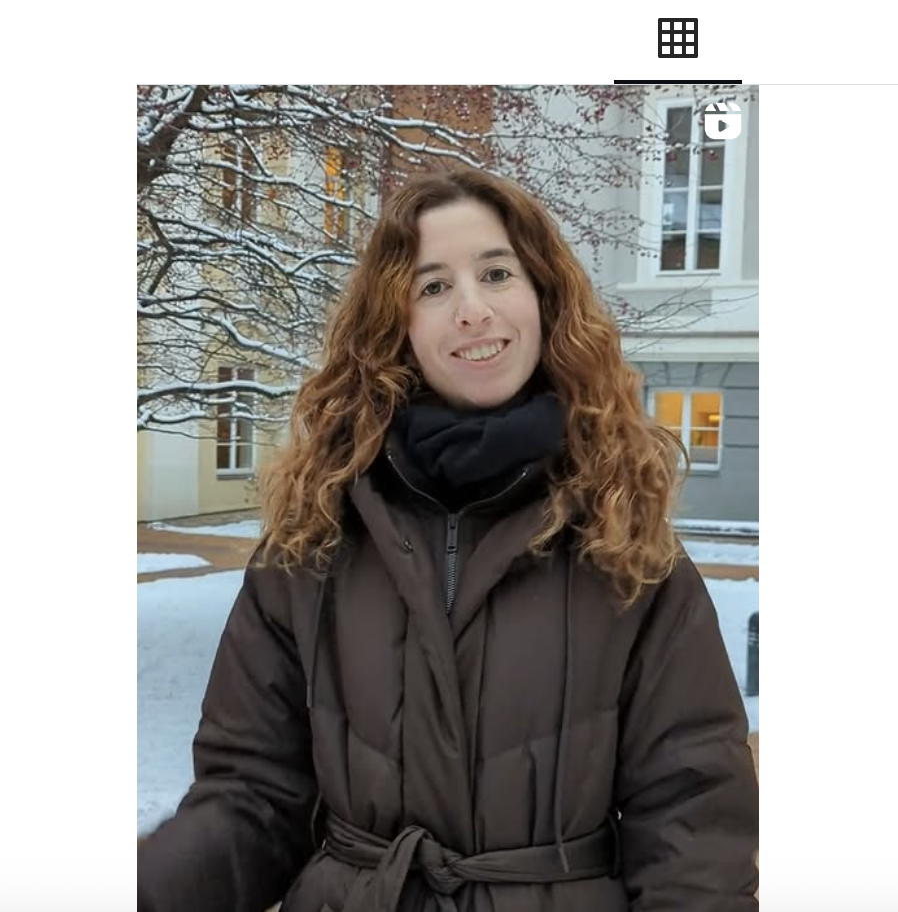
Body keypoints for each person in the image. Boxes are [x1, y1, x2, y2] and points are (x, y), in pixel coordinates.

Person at [138, 167, 759, 912]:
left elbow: (694, 827)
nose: (472, 309)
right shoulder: (315, 535)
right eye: (432, 286)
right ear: (394, 324)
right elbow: (253, 797)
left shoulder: (627, 541)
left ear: (543, 298)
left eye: (496, 273)